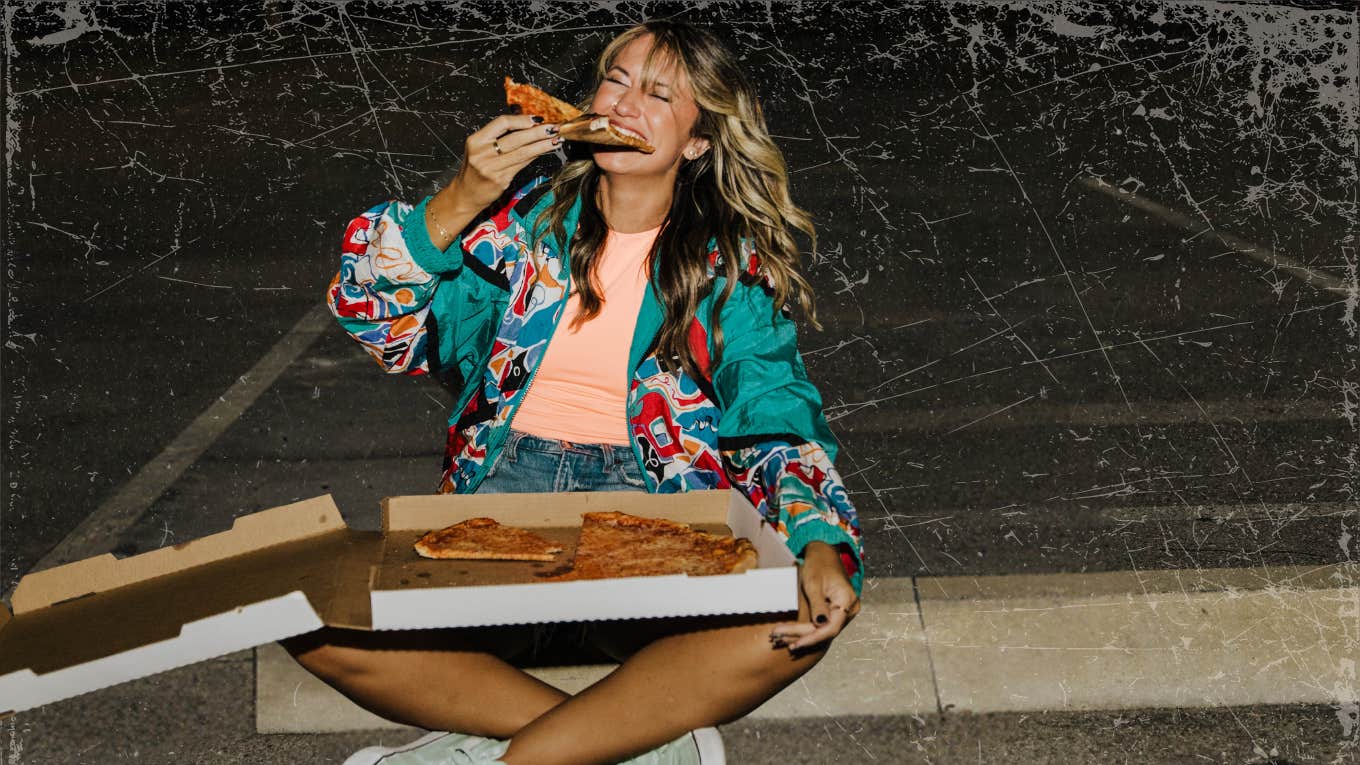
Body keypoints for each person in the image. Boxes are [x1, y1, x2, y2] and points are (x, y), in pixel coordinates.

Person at [285, 19, 864, 765]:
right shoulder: (513, 223)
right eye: (616, 81)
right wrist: (459, 198)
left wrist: (821, 538)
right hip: (499, 506)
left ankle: (516, 757)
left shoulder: (725, 268)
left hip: (655, 513)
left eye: (659, 94)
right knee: (310, 618)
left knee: (795, 618)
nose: (625, 104)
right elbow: (375, 320)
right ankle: (631, 748)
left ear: (697, 141)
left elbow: (774, 410)